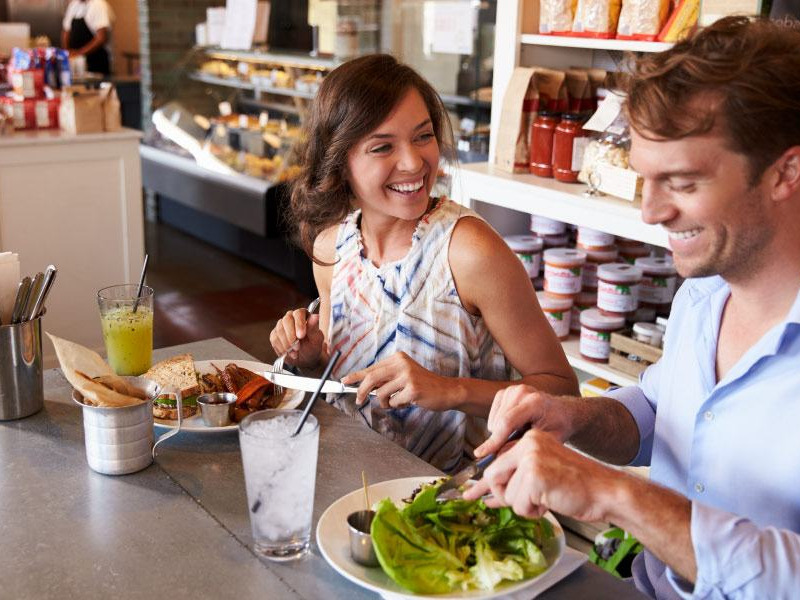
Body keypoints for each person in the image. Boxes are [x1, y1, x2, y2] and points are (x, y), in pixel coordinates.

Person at [463, 16, 800, 599]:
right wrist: (570, 417)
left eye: (683, 182)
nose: (650, 212)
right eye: (646, 179)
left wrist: (615, 495)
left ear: (785, 172)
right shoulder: (704, 292)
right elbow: (658, 409)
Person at [269, 54, 578, 473]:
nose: (414, 162)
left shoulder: (469, 251)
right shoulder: (331, 250)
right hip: (353, 479)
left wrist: (450, 391)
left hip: (459, 500)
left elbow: (563, 392)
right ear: (341, 162)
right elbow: (347, 385)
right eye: (383, 147)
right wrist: (310, 360)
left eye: (423, 136)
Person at [61, 0, 114, 77]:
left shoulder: (99, 5)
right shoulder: (73, 5)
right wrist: (66, 52)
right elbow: (66, 31)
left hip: (96, 64)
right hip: (77, 65)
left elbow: (101, 38)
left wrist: (79, 53)